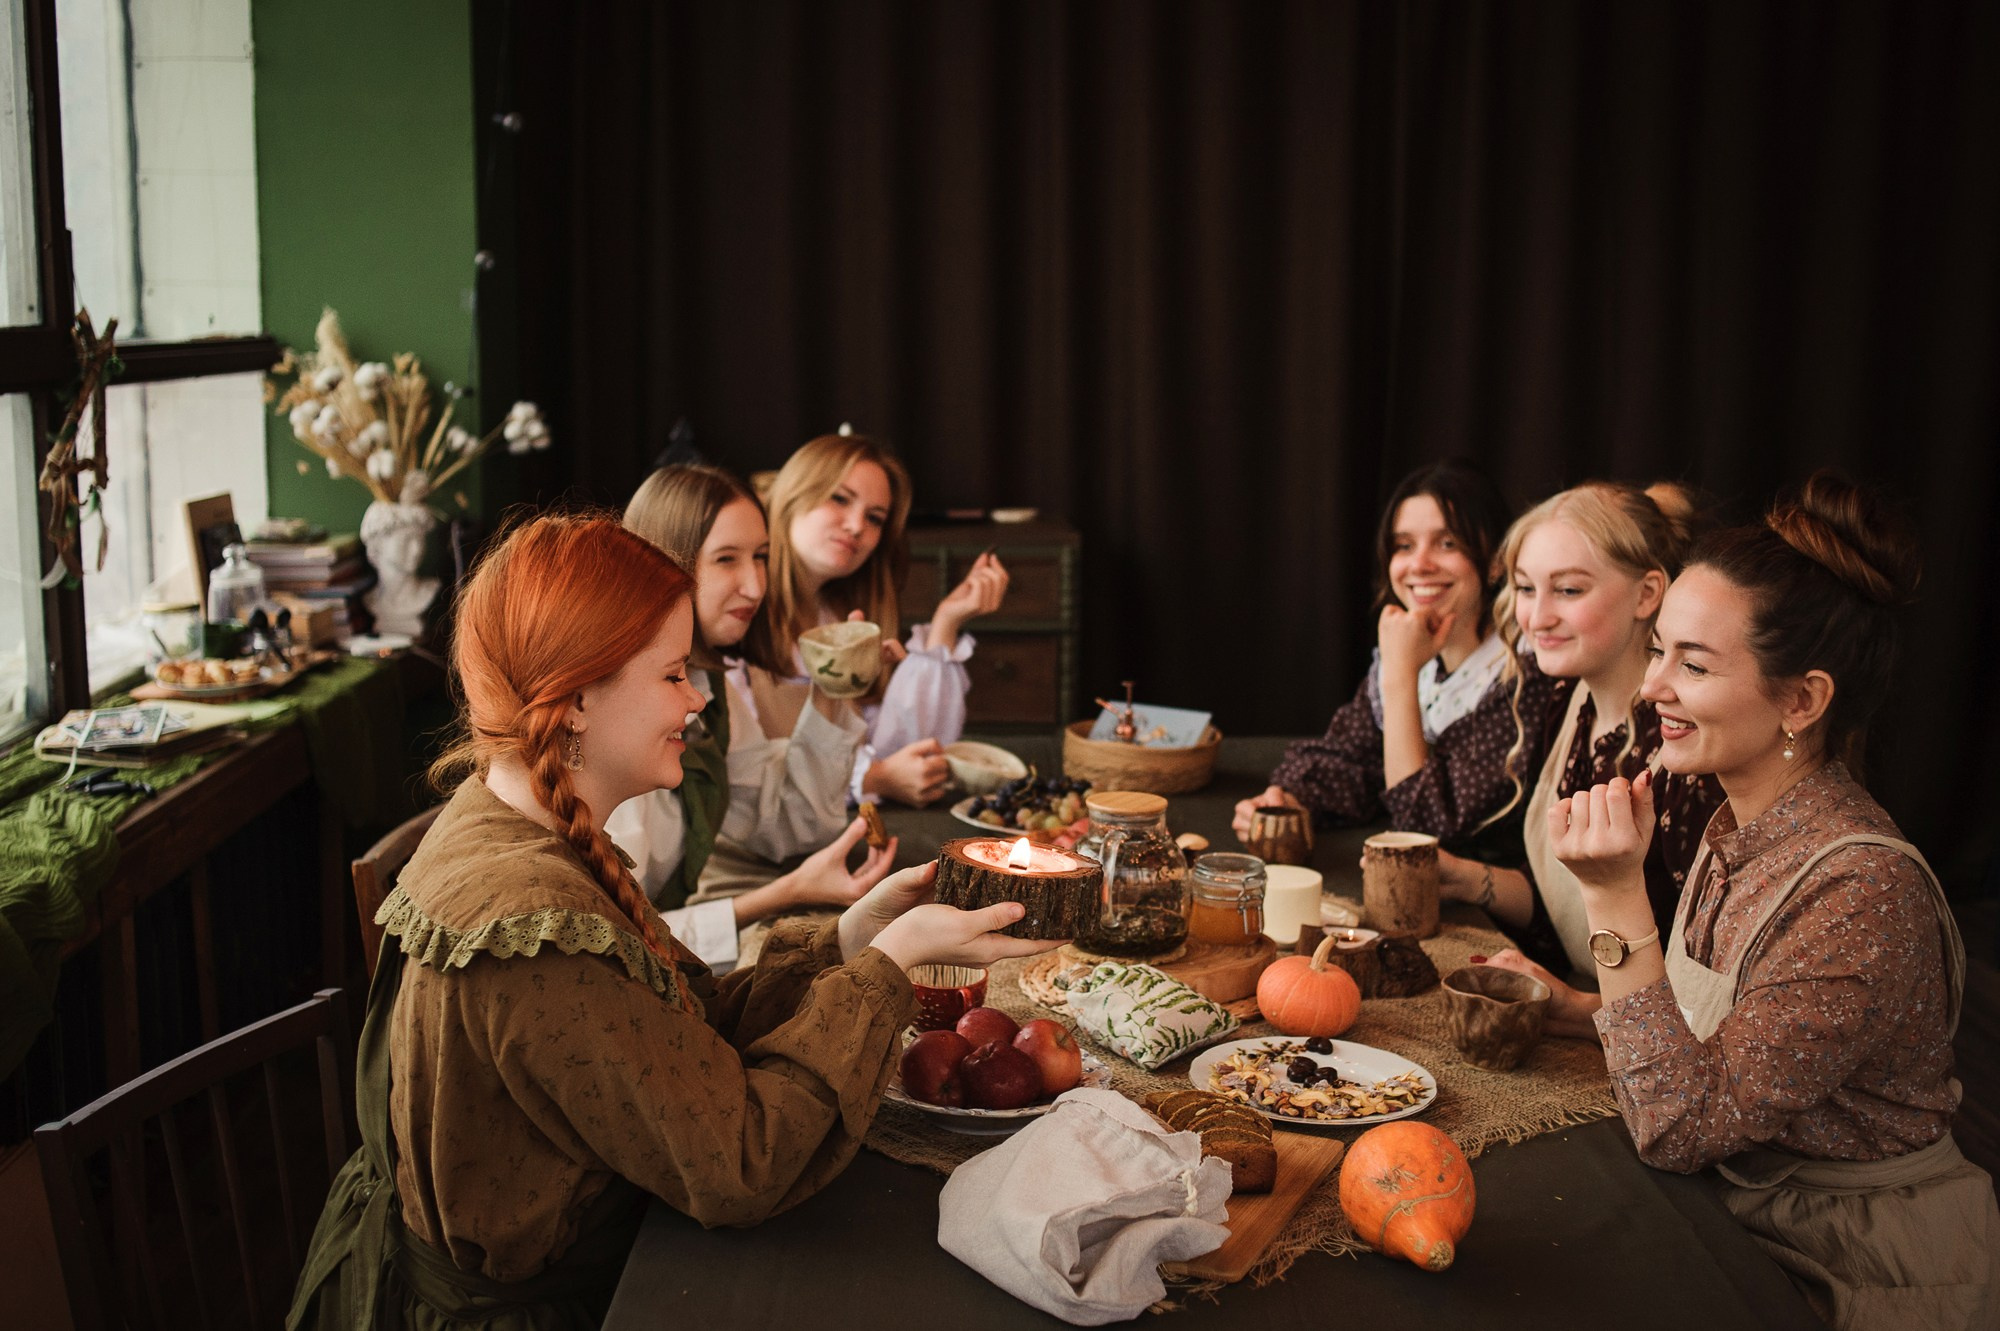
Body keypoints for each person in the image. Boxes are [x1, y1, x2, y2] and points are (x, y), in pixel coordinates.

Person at [288, 514, 1055, 1329]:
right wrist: (884, 972)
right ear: (577, 698)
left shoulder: (524, 823)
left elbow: (669, 1035)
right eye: (671, 675)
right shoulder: (534, 926)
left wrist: (847, 940)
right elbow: (741, 1161)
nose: (696, 699)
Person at [1544, 474, 1999, 1329]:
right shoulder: (1737, 825)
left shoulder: (1861, 890)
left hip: (1854, 1263)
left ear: (1802, 700)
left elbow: (1677, 1126)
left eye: (1695, 662)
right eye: (1658, 651)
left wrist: (1614, 898)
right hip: (1743, 1201)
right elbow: (1709, 1040)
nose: (1651, 688)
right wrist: (1573, 1009)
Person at [1439, 483, 1726, 1027]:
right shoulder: (1564, 702)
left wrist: (1576, 1009)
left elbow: (1712, 1007)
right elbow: (1572, 918)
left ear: (1648, 594)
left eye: (1568, 591)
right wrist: (1465, 878)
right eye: (1525, 588)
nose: (1537, 617)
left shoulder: (1691, 753)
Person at [605, 465, 889, 968]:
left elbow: (784, 821)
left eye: (760, 558)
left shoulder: (709, 682)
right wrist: (783, 893)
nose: (756, 586)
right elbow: (610, 935)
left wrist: (830, 692)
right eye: (727, 560)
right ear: (662, 563)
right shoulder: (619, 705)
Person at [1233, 461, 1556, 864]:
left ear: (1495, 562)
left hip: (1492, 910)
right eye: (1404, 546)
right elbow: (1351, 760)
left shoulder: (1527, 670)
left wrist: (1401, 675)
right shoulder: (1412, 648)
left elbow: (1425, 828)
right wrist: (1292, 800)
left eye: (1447, 543)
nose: (1419, 565)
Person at [742, 431, 1008, 808]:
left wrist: (947, 622)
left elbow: (912, 752)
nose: (856, 527)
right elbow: (741, 776)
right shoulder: (739, 612)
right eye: (839, 498)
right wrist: (872, 779)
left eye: (875, 518)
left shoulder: (840, 616)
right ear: (793, 492)